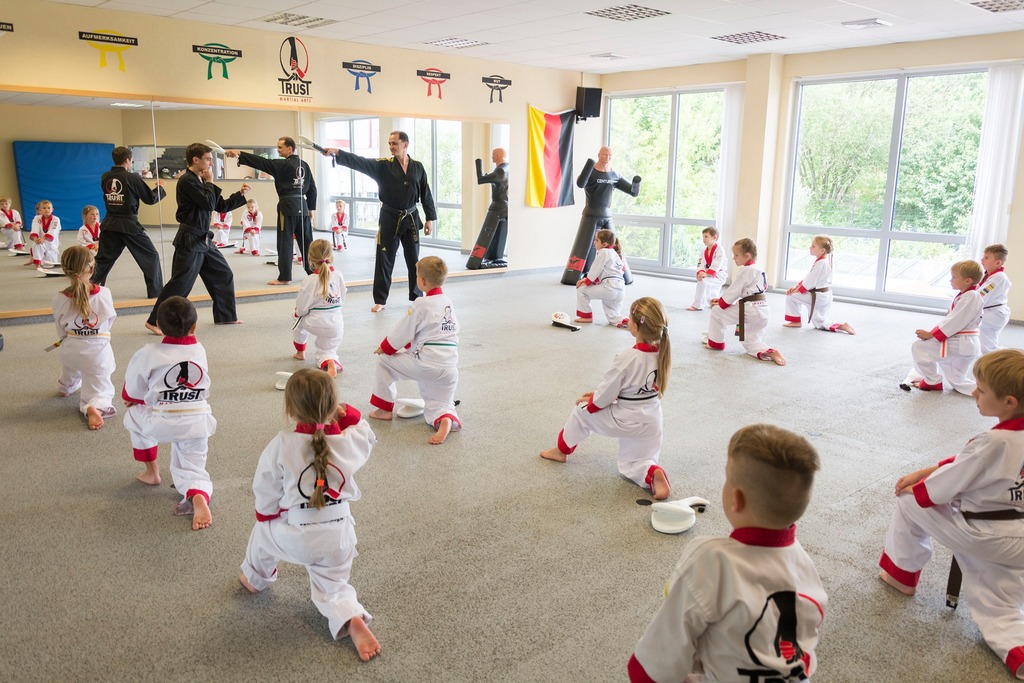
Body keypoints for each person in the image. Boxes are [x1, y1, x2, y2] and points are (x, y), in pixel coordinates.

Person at [629, 424, 826, 682]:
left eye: (727, 478)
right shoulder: (807, 571)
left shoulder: (710, 560)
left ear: (736, 499)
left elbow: (660, 653)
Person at [879, 349, 1024, 680]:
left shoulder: (993, 441)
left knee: (909, 501)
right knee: (1000, 606)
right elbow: (969, 461)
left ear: (1009, 403)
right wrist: (930, 467)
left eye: (981, 390)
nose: (974, 393)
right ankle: (1018, 651)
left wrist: (918, 485)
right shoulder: (999, 441)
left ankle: (901, 576)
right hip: (1020, 541)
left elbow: (938, 491)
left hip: (985, 533)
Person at [239, 369, 380, 662]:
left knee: (262, 531)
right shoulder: (349, 441)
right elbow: (365, 430)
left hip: (297, 536)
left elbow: (265, 490)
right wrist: (344, 413)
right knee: (333, 586)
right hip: (340, 536)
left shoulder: (281, 444)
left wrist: (268, 516)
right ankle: (350, 617)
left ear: (290, 410)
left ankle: (256, 577)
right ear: (335, 407)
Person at [540, 296, 672, 499]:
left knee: (580, 412)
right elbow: (632, 389)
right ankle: (652, 473)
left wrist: (592, 402)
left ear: (635, 326)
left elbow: (607, 393)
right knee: (635, 463)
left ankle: (561, 450)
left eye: (629, 318)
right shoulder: (663, 352)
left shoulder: (627, 358)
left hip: (625, 418)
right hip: (652, 419)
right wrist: (597, 395)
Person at [123, 296, 217, 531]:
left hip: (162, 423)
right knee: (194, 466)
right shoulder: (199, 350)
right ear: (194, 327)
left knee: (133, 415)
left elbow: (132, 391)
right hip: (198, 420)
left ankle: (152, 472)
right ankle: (197, 495)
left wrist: (135, 401)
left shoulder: (148, 352)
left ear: (159, 327)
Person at [144, 143, 249, 335]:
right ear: (196, 160)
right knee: (181, 282)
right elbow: (208, 203)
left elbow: (221, 206)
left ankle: (226, 316)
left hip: (204, 240)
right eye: (208, 159)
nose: (210, 162)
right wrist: (209, 182)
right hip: (190, 239)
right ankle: (154, 320)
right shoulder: (187, 181)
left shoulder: (200, 180)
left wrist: (239, 195)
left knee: (223, 274)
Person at [325, 131, 437, 312]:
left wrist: (430, 218)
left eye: (394, 143)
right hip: (389, 218)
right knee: (384, 259)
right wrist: (339, 153)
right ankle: (380, 300)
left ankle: (416, 297)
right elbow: (360, 162)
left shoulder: (418, 167)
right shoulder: (384, 166)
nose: (391, 147)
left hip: (411, 218)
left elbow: (426, 193)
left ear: (405, 144)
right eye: (389, 143)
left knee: (414, 260)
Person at [369, 255, 460, 444]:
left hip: (427, 365)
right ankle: (445, 419)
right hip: (450, 368)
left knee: (384, 362)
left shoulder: (421, 304)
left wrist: (385, 347)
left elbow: (403, 331)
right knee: (441, 402)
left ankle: (384, 409)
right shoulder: (448, 302)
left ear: (422, 281)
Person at [225, 138, 316, 285]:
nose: (278, 150)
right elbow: (312, 188)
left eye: (280, 147)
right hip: (303, 206)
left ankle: (285, 277)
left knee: (285, 242)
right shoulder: (305, 165)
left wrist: (240, 154)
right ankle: (313, 273)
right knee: (307, 242)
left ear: (290, 149)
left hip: (287, 206)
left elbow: (262, 162)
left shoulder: (283, 165)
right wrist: (311, 208)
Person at [51, 246, 116, 430]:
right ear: (92, 269)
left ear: (65, 270)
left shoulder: (59, 299)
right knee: (100, 387)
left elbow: (60, 330)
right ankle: (93, 407)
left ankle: (66, 386)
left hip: (71, 349)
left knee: (70, 363)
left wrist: (70, 339)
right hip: (98, 353)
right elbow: (109, 322)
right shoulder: (105, 294)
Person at [93, 146, 167, 299]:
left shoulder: (105, 177)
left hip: (110, 223)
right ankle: (156, 293)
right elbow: (150, 199)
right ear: (128, 160)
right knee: (150, 257)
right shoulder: (132, 178)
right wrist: (159, 187)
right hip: (128, 225)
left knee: (103, 260)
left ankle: (90, 287)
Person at [900, 260, 983, 395]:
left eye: (954, 277)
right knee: (957, 380)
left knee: (920, 347)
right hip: (964, 344)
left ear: (968, 280)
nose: (951, 280)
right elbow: (952, 320)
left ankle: (932, 381)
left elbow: (954, 321)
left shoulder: (971, 296)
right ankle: (992, 393)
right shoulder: (968, 295)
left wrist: (931, 334)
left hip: (961, 343)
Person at [560, 146, 640, 286]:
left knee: (614, 245)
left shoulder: (614, 175)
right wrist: (588, 166)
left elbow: (633, 192)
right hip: (590, 215)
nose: (607, 158)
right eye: (604, 155)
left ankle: (621, 274)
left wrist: (636, 183)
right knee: (587, 245)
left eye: (609, 155)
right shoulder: (590, 172)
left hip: (606, 215)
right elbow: (580, 184)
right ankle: (578, 275)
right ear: (599, 155)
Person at [704, 238, 786, 366]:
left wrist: (721, 303)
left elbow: (734, 291)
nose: (734, 258)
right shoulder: (759, 269)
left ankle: (715, 343)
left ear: (747, 256)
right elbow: (748, 292)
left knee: (717, 311)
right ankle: (771, 352)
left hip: (750, 310)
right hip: (763, 310)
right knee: (750, 342)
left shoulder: (746, 270)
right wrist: (721, 300)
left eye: (736, 255)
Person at [292, 239, 346, 378]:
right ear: (330, 256)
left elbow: (302, 307)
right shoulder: (338, 275)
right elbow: (343, 297)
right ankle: (330, 361)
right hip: (336, 324)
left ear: (310, 258)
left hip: (315, 323)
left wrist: (298, 313)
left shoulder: (310, 280)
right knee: (327, 349)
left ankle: (300, 352)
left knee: (298, 322)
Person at [783, 235, 855, 334]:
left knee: (791, 296)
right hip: (824, 295)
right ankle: (842, 326)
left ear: (822, 251)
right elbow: (809, 278)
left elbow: (809, 282)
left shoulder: (821, 264)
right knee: (819, 323)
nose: (810, 248)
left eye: (813, 246)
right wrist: (796, 286)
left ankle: (795, 321)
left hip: (819, 297)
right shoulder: (823, 262)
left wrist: (796, 290)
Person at [467, 147, 508, 269]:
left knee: (486, 234)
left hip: (497, 207)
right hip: (505, 206)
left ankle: (475, 261)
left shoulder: (501, 171)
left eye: (493, 154)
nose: (492, 156)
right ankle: (494, 257)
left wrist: (478, 163)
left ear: (499, 155)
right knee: (500, 233)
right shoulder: (506, 168)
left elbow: (480, 179)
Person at [575, 229, 625, 326]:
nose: (594, 242)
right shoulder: (615, 253)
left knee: (581, 289)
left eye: (596, 240)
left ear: (604, 244)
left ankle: (586, 316)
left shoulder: (603, 252)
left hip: (610, 288)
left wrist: (586, 281)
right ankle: (631, 322)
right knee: (613, 318)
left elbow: (595, 269)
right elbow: (603, 271)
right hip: (621, 289)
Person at [979, 243, 1012, 354]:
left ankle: (1008, 360)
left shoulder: (998, 277)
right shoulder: (990, 275)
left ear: (998, 263)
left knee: (968, 319)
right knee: (988, 346)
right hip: (993, 313)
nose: (982, 259)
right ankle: (1005, 359)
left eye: (986, 258)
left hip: (994, 314)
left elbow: (981, 295)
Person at [687, 227, 726, 311]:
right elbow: (701, 264)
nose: (703, 239)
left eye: (706, 236)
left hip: (719, 275)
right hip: (709, 274)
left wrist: (706, 274)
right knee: (708, 285)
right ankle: (714, 302)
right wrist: (701, 272)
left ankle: (698, 305)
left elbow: (717, 265)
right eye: (703, 237)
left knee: (704, 282)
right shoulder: (704, 250)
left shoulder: (720, 250)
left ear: (714, 237)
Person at [29, 200, 61, 268]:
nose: (47, 209)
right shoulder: (37, 218)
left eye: (49, 208)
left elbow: (53, 231)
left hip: (51, 245)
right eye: (44, 208)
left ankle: (35, 257)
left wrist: (44, 238)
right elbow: (35, 228)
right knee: (36, 244)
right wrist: (35, 239)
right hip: (40, 242)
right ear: (40, 210)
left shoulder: (56, 219)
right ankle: (37, 264)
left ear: (52, 209)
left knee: (50, 264)